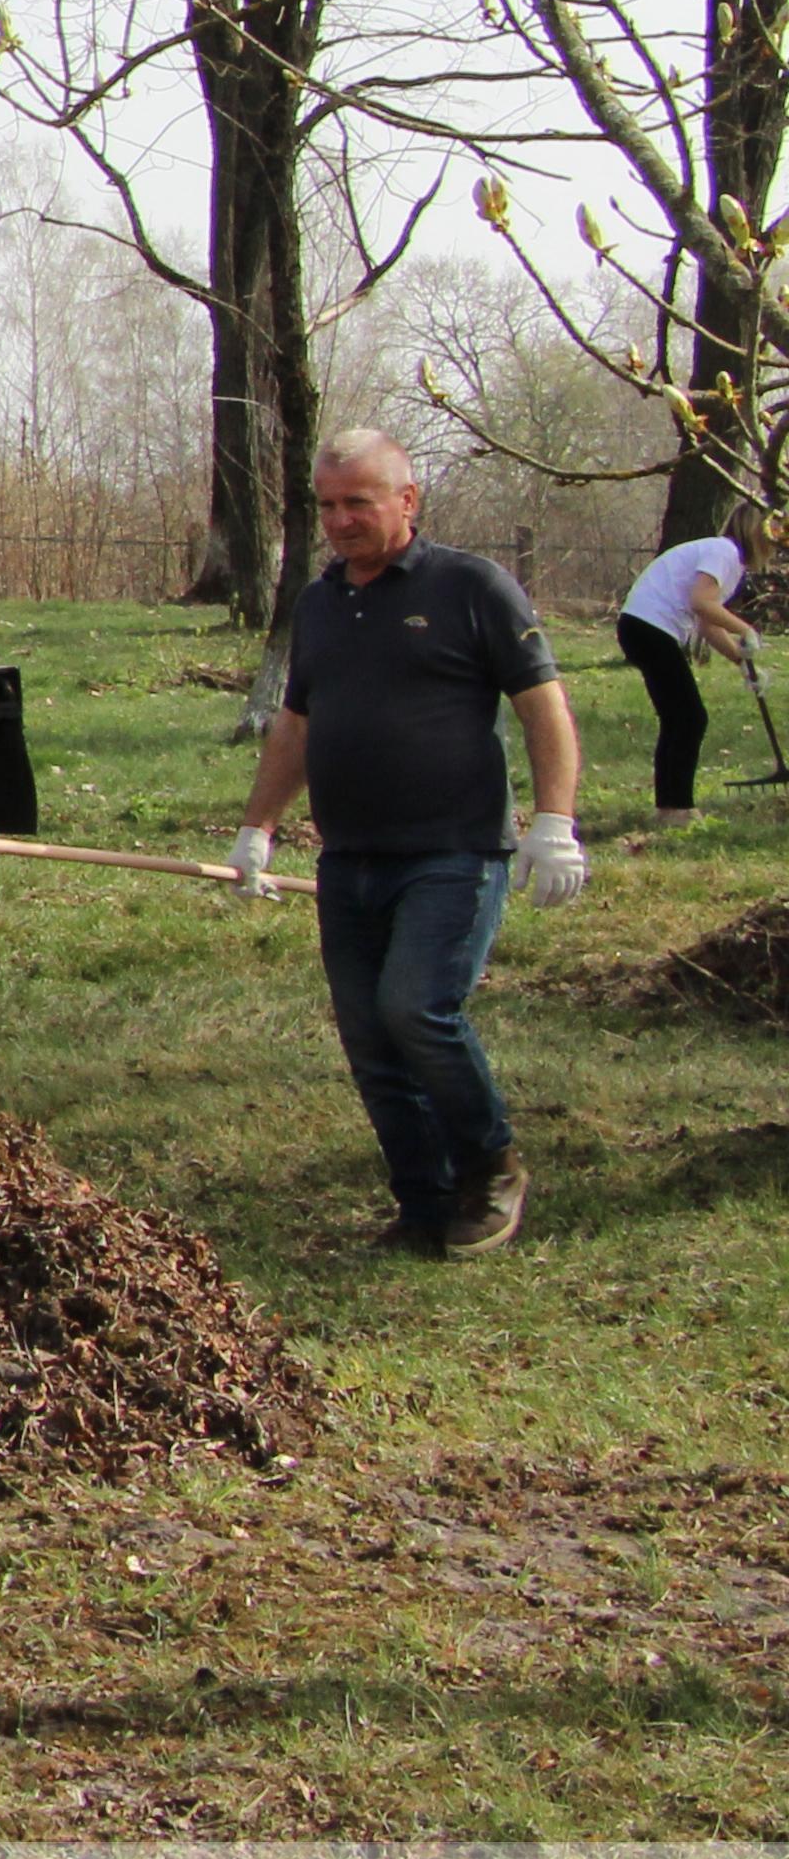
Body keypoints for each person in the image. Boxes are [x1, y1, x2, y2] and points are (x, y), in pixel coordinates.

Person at [233, 428, 587, 1256]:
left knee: (417, 1010)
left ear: (407, 500)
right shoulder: (320, 603)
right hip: (350, 857)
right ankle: (424, 1202)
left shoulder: (471, 588)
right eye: (327, 506)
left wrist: (554, 823)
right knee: (369, 1037)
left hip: (452, 852)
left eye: (359, 501)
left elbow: (544, 706)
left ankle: (491, 1166)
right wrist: (259, 826)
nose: (342, 521)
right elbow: (296, 723)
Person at [614, 521, 760, 821]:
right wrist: (745, 629)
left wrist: (741, 662)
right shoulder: (724, 551)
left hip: (641, 626)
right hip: (650, 626)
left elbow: (707, 622)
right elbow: (702, 603)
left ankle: (669, 807)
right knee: (690, 717)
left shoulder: (725, 558)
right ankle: (679, 808)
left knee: (679, 718)